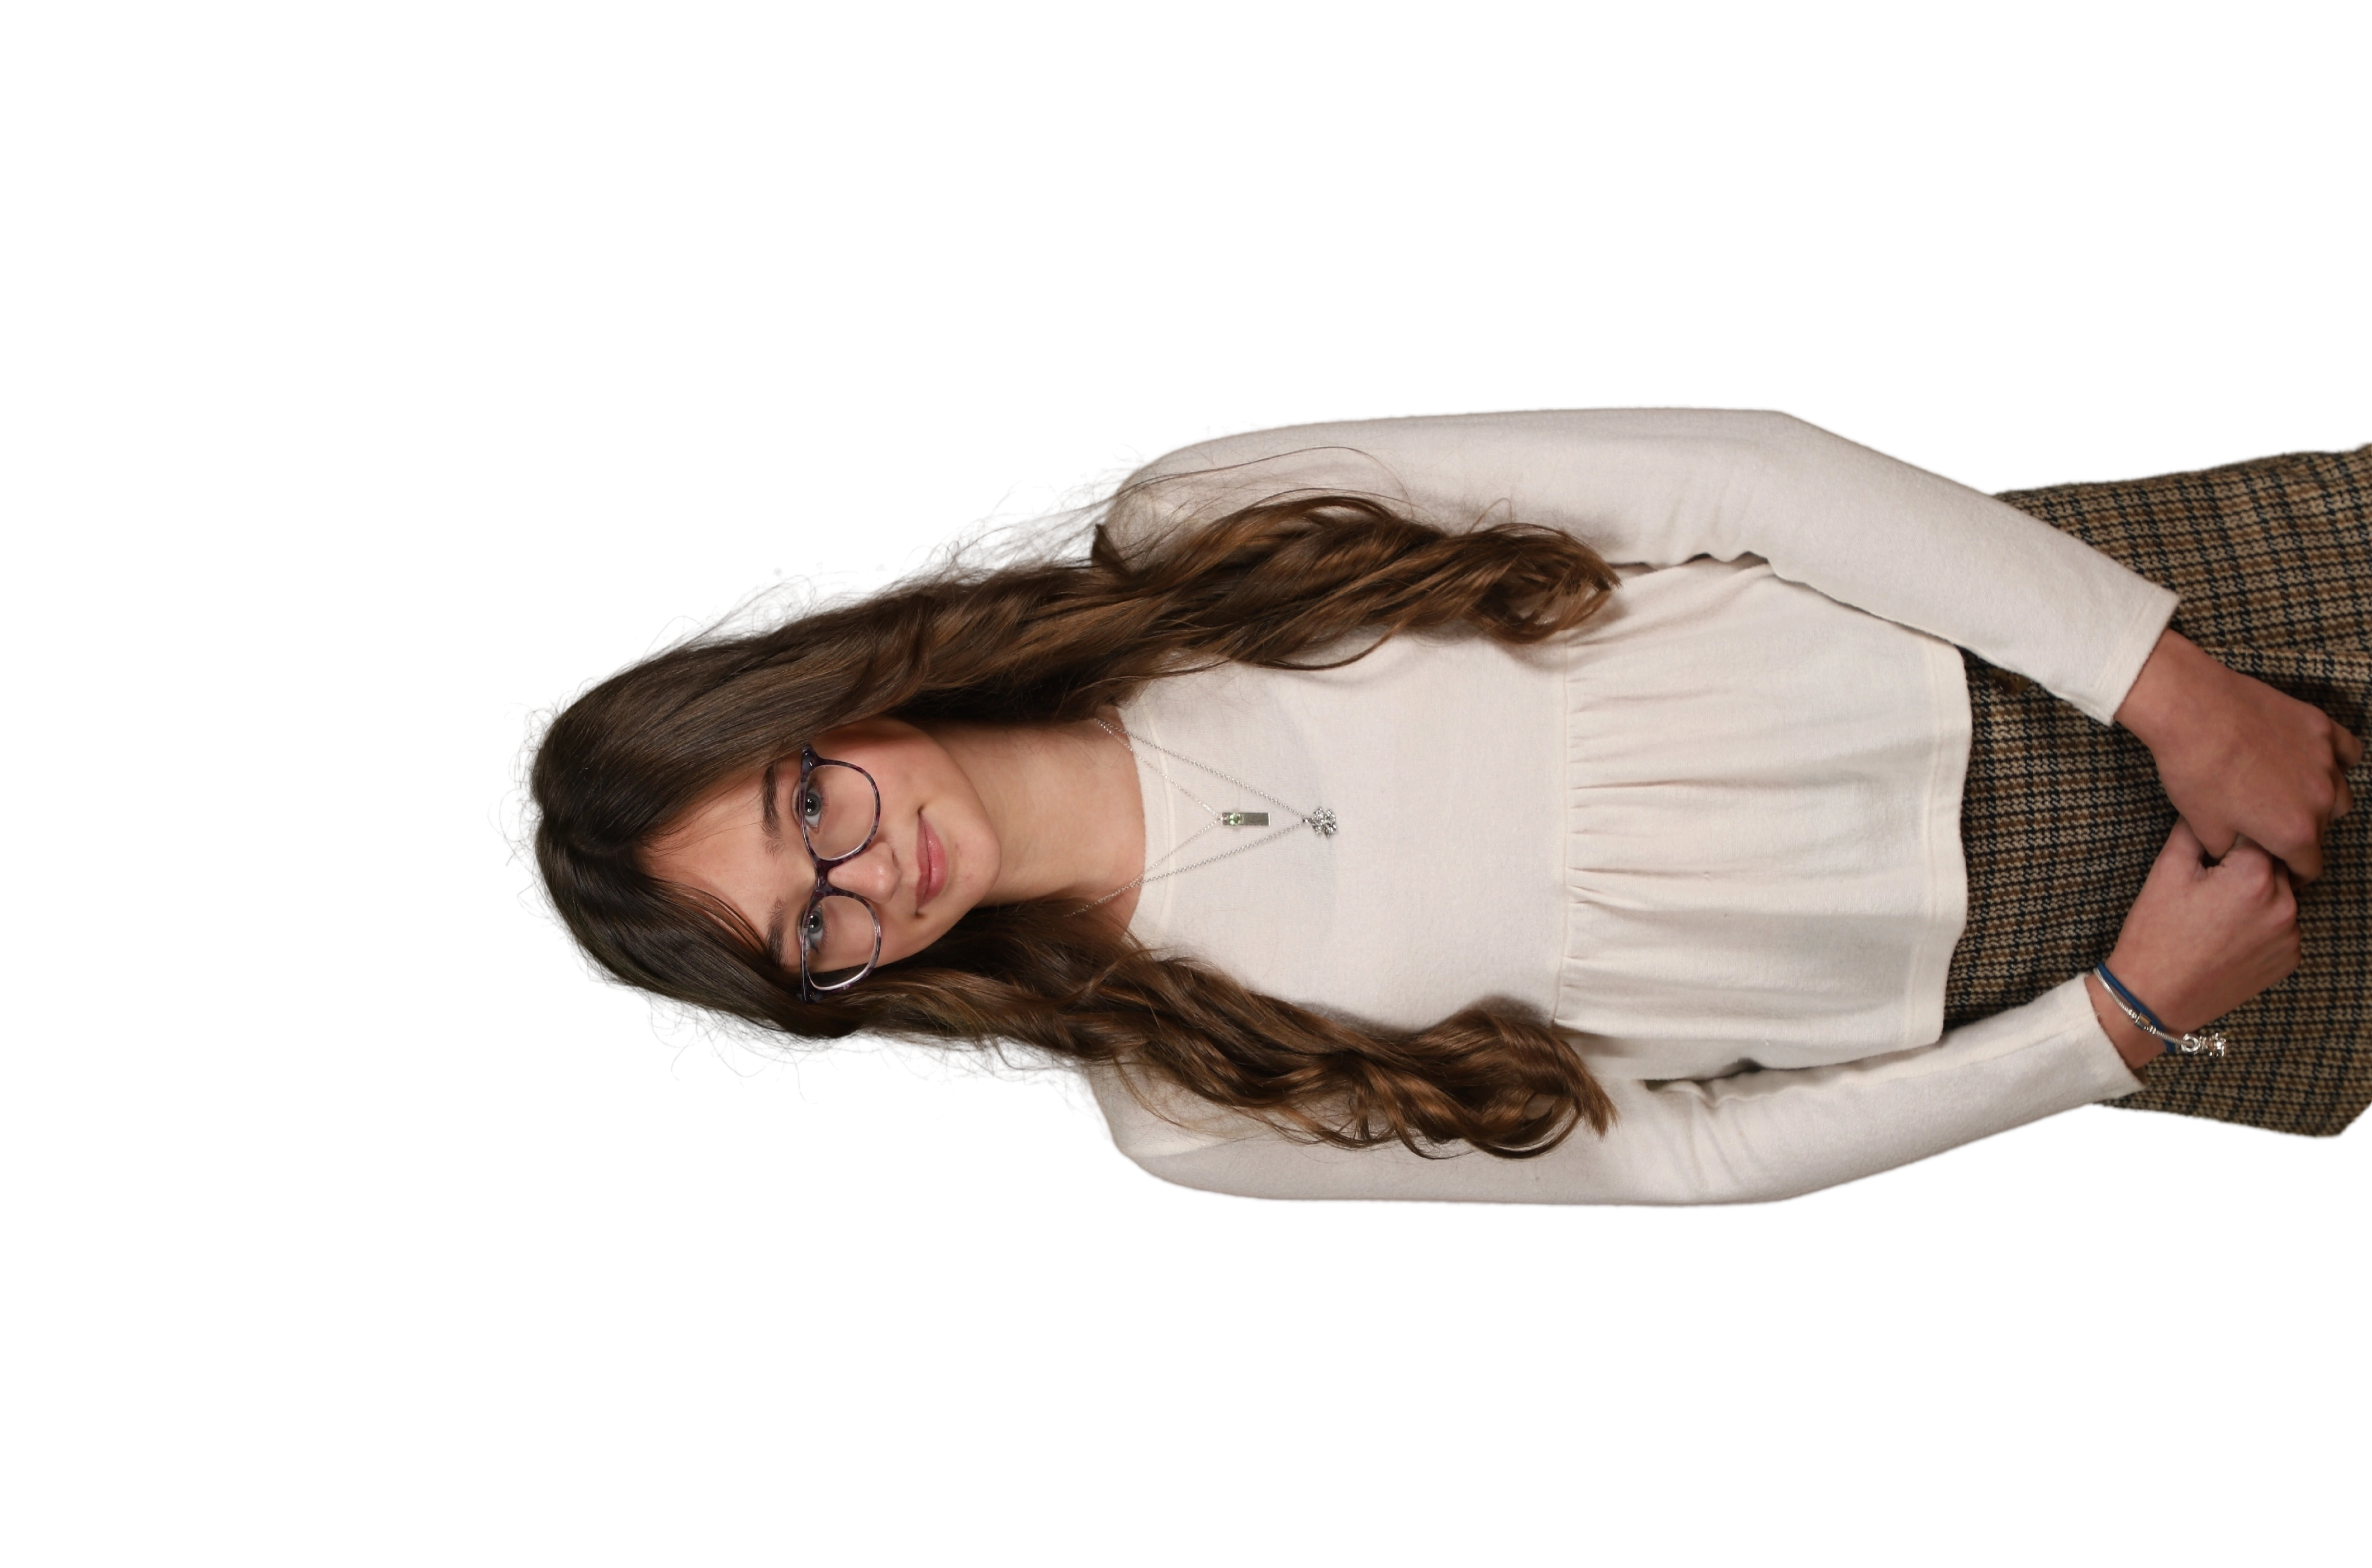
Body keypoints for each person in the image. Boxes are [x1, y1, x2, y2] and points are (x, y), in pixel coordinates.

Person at [487, 404, 2366, 1208]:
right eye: (811, 931)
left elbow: (1741, 483)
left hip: (2135, 629)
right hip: (2148, 974)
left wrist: (2169, 687)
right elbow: (1681, 1159)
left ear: (822, 696)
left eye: (808, 805)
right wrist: (2118, 1027)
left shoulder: (1186, 530)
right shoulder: (1180, 1108)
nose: (866, 876)